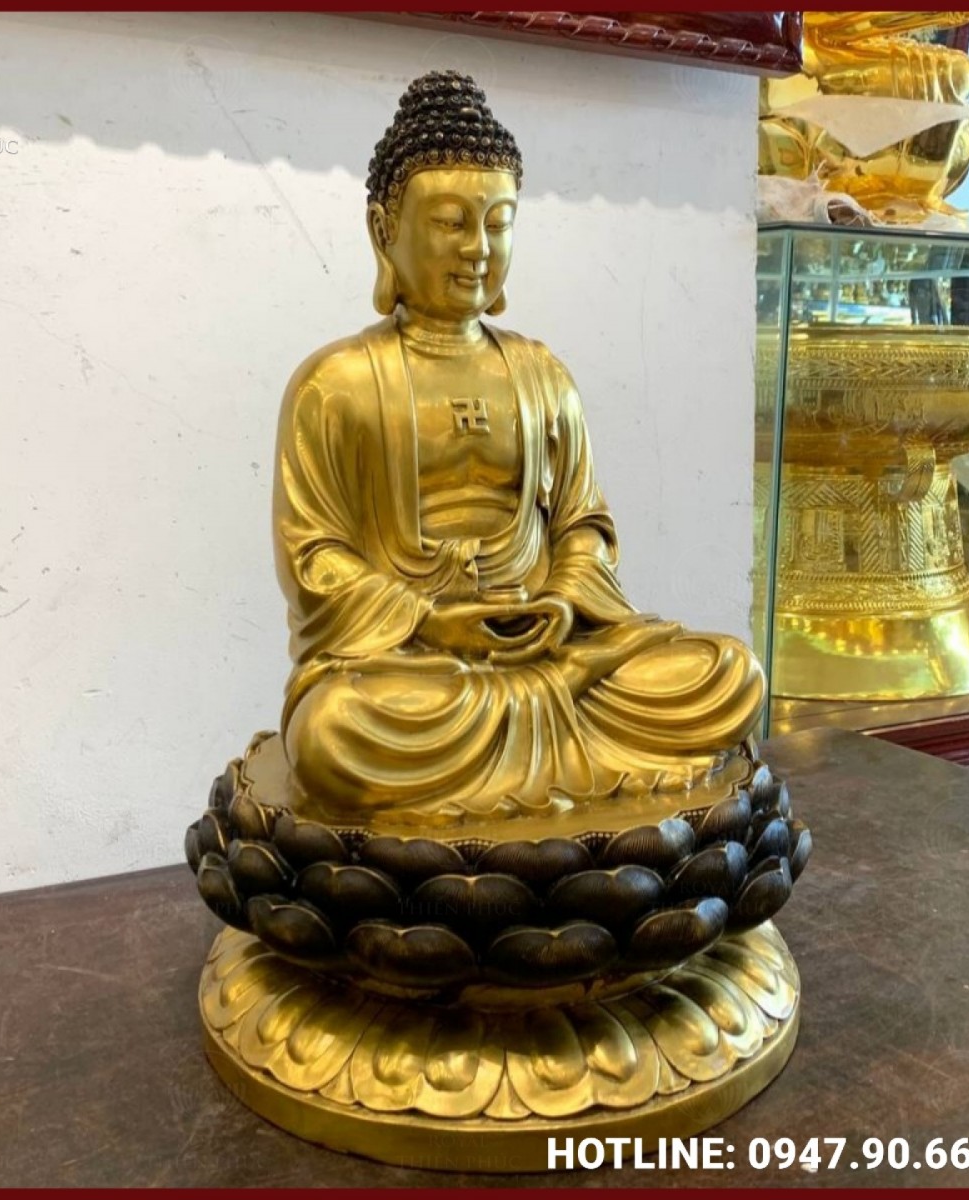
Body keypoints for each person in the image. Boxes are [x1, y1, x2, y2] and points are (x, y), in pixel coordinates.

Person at [272, 71, 764, 821]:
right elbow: (313, 558)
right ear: (383, 230)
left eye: (498, 223)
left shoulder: (541, 375)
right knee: (333, 733)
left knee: (729, 673)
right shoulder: (335, 384)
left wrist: (564, 601)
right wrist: (429, 620)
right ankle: (564, 743)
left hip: (553, 645)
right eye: (450, 222)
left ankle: (541, 725)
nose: (478, 248)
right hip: (417, 665)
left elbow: (583, 525)